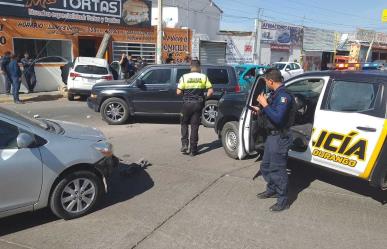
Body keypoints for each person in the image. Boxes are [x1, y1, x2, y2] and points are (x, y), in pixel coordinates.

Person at [250, 68, 293, 212]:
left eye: (266, 82)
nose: (266, 85)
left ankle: (282, 201)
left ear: (270, 81)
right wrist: (260, 110)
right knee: (266, 166)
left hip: (280, 137)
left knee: (277, 169)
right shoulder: (275, 94)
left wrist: (265, 104)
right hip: (271, 136)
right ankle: (272, 189)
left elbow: (278, 118)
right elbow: (271, 113)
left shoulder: (284, 96)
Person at [177, 60, 213, 156]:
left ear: (191, 66)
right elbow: (210, 91)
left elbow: (178, 92)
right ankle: (193, 150)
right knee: (194, 126)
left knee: (184, 123)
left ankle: (185, 144)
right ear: (199, 67)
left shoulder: (184, 77)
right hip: (198, 104)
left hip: (187, 104)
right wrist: (204, 98)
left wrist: (185, 94)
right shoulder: (203, 77)